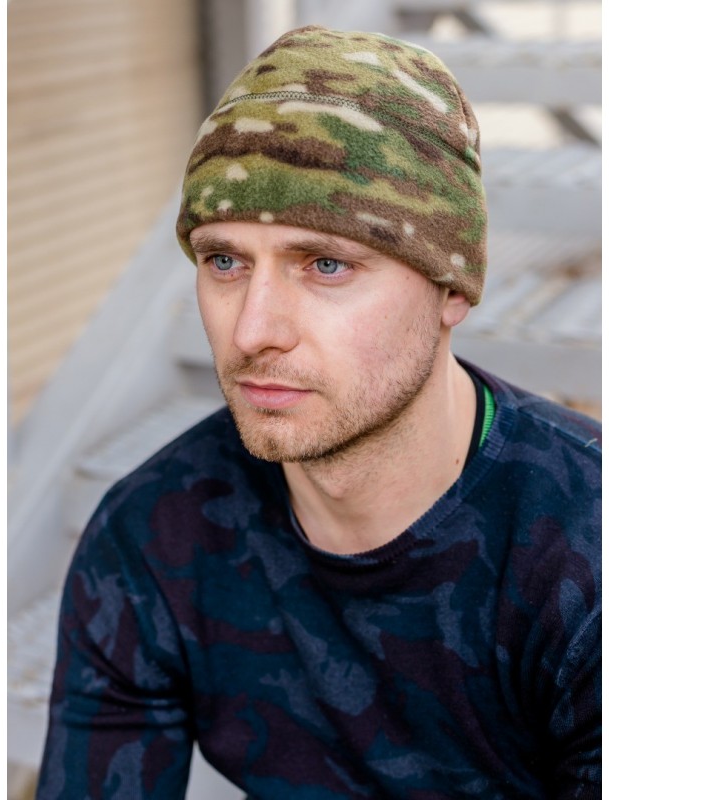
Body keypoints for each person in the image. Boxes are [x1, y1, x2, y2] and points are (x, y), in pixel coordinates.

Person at [36, 25, 601, 800]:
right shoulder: (153, 538)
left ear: (452, 289)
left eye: (327, 264)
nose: (253, 330)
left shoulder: (598, 555)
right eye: (224, 261)